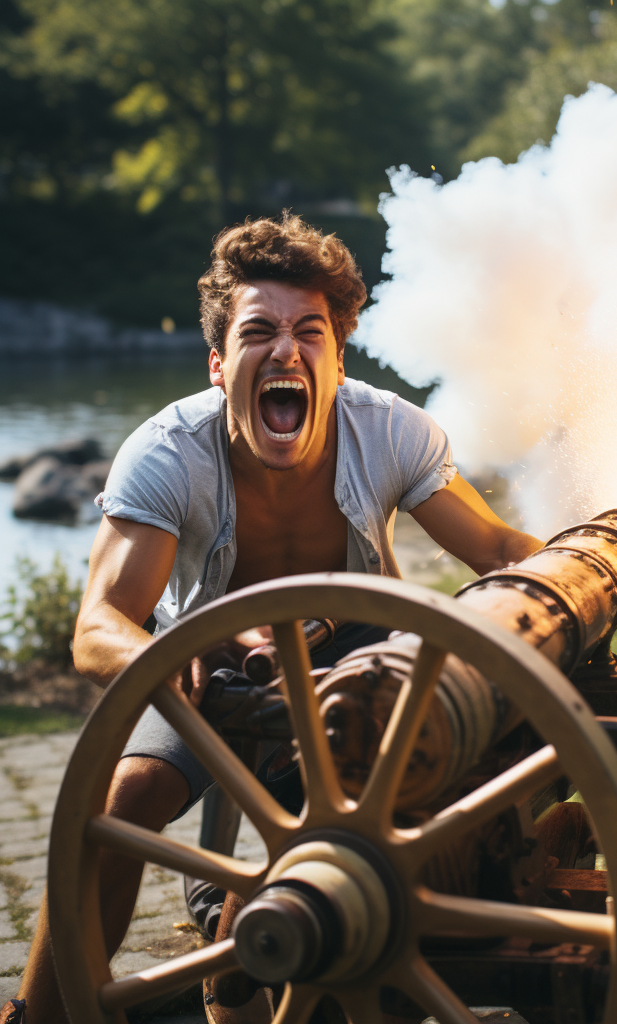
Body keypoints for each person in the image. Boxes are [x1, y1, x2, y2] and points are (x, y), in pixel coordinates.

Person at [4, 213, 542, 1024]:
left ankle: (270, 935)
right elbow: (99, 624)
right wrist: (160, 657)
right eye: (259, 331)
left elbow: (497, 545)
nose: (286, 349)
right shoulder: (166, 453)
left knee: (451, 775)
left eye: (309, 331)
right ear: (220, 365)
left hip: (361, 657)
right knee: (122, 800)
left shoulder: (393, 429)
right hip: (209, 664)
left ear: (336, 357)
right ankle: (36, 1014)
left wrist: (563, 570)